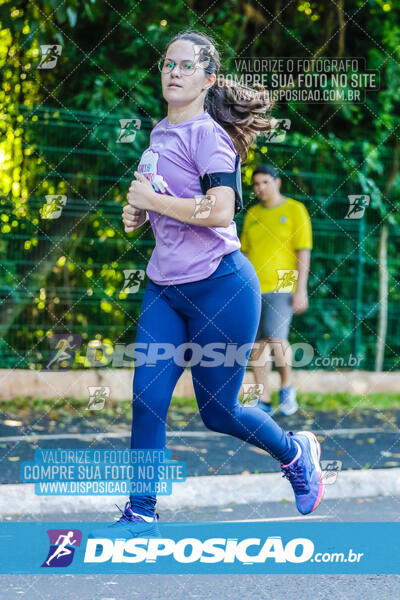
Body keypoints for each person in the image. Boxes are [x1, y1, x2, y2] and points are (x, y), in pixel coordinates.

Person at [94, 30, 324, 538]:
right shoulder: (158, 133)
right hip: (165, 288)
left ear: (207, 79)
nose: (172, 72)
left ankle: (295, 451)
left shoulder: (209, 136)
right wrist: (137, 210)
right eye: (167, 64)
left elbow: (221, 210)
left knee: (218, 412)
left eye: (185, 66)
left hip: (221, 287)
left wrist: (153, 204)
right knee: (147, 397)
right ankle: (141, 510)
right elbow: (152, 197)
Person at [241, 164, 312, 416]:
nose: (260, 188)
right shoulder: (252, 215)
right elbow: (244, 253)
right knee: (257, 345)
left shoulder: (295, 210)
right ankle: (263, 398)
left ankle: (286, 387)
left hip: (283, 285)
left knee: (276, 338)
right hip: (253, 288)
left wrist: (300, 289)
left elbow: (303, 251)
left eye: (265, 182)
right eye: (256, 184)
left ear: (277, 182)